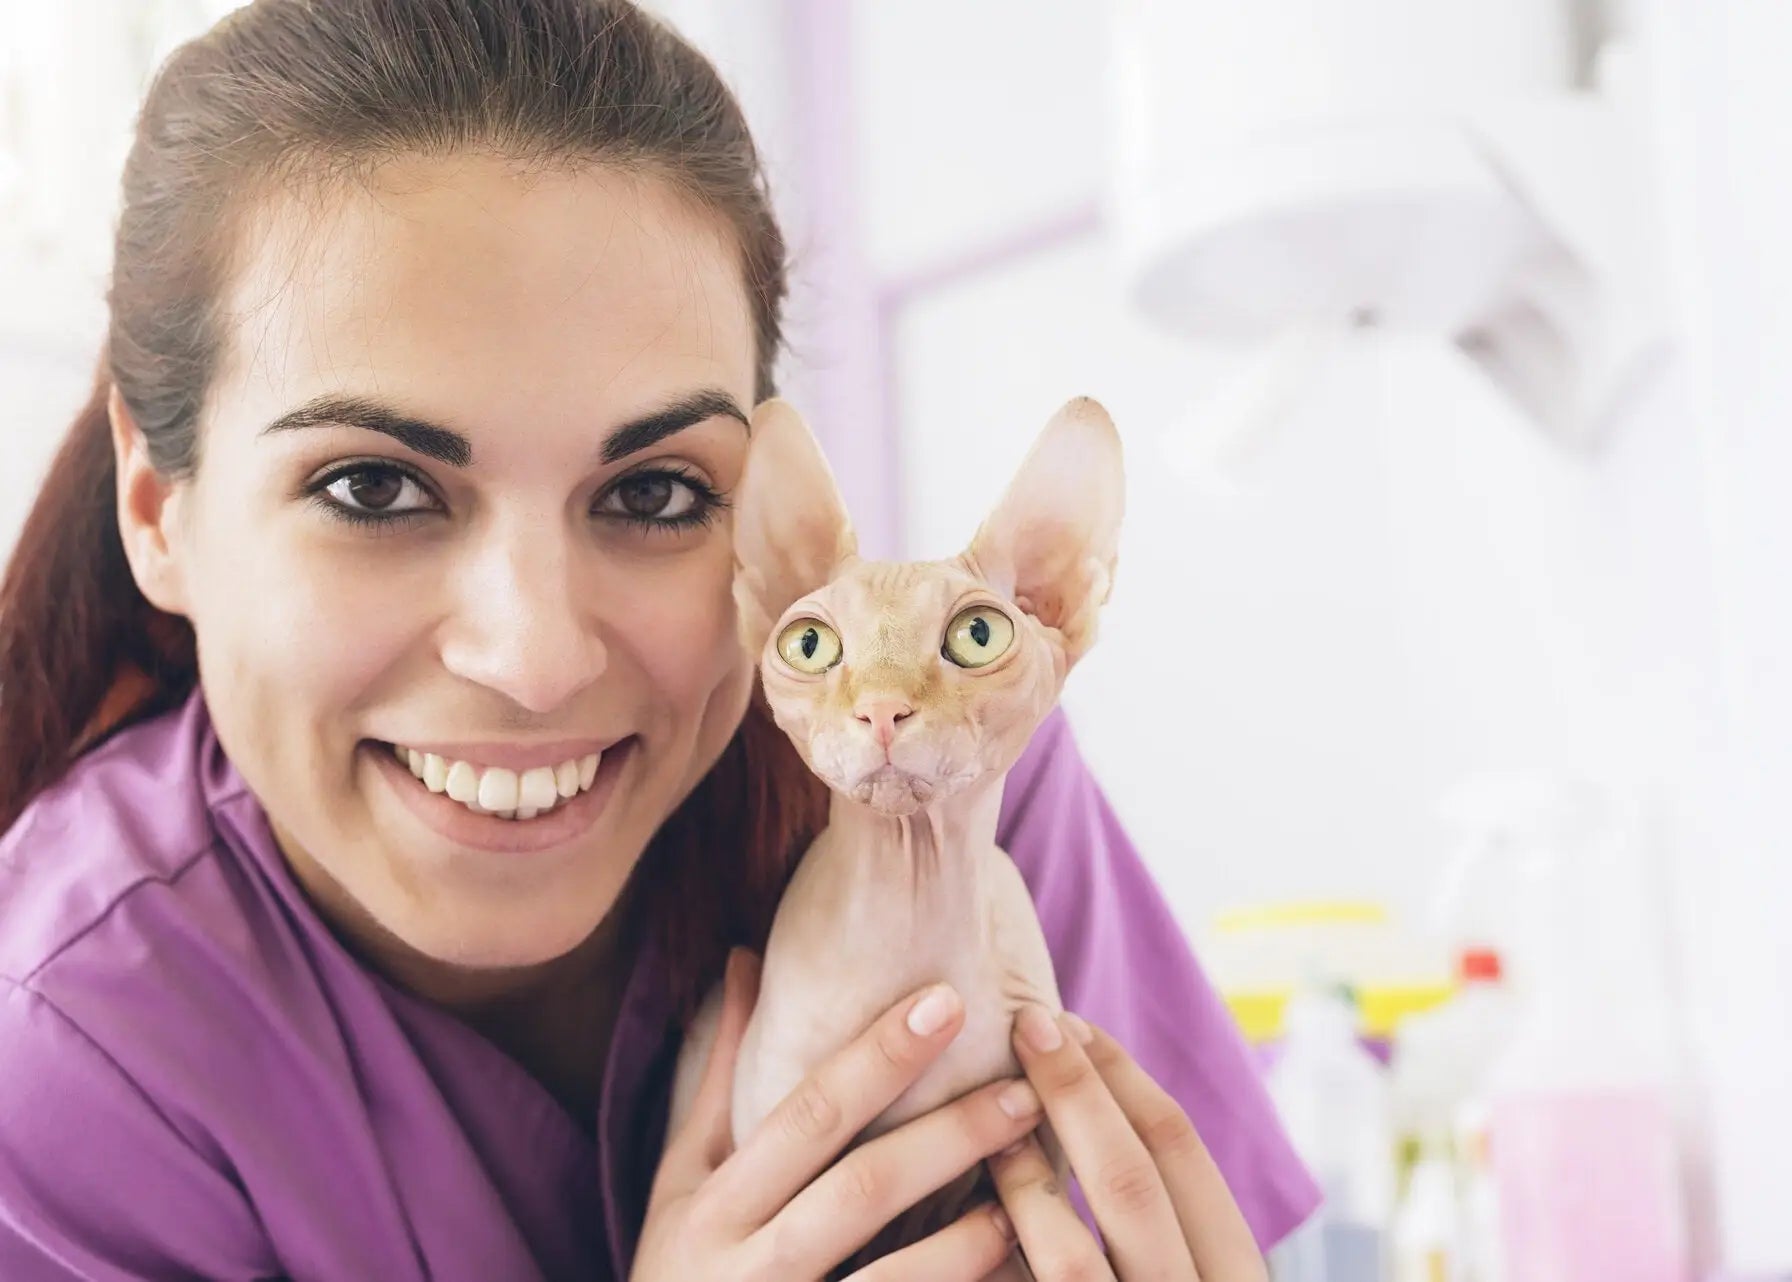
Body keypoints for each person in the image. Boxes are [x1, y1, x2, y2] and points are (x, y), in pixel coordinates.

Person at [0, 2, 1316, 1278]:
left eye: (655, 492)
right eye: (374, 489)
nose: (536, 657)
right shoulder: (67, 1056)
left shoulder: (957, 772)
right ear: (155, 506)